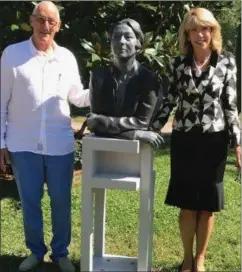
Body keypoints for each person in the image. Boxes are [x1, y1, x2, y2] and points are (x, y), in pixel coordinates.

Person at [0, 2, 89, 272]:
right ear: (31, 21)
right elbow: (1, 102)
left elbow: (78, 96)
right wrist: (1, 143)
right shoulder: (12, 55)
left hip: (59, 144)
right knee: (30, 202)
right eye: (41, 19)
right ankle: (36, 252)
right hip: (22, 144)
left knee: (61, 201)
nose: (45, 26)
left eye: (51, 21)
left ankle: (60, 253)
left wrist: (103, 86)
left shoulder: (67, 58)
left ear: (58, 26)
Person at [152, 8, 241, 272]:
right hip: (185, 141)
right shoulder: (178, 65)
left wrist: (237, 144)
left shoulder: (227, 62)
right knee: (188, 204)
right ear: (187, 35)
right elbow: (168, 102)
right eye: (194, 29)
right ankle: (187, 258)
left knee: (207, 206)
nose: (200, 34)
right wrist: (152, 129)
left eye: (206, 29)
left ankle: (200, 258)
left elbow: (231, 107)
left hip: (214, 142)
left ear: (213, 32)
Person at [86, 18, 164, 148]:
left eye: (128, 37)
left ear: (138, 43)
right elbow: (95, 125)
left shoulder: (149, 79)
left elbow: (142, 123)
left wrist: (103, 123)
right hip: (103, 150)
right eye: (116, 37)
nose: (121, 41)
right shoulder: (98, 77)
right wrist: (135, 134)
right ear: (110, 42)